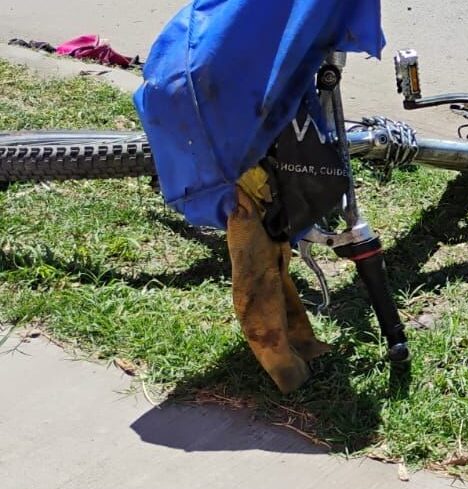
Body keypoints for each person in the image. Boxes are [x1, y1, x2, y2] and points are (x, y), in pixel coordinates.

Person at [133, 0, 386, 393]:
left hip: (186, 71)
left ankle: (291, 347)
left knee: (262, 221)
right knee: (257, 230)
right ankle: (284, 359)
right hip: (216, 104)